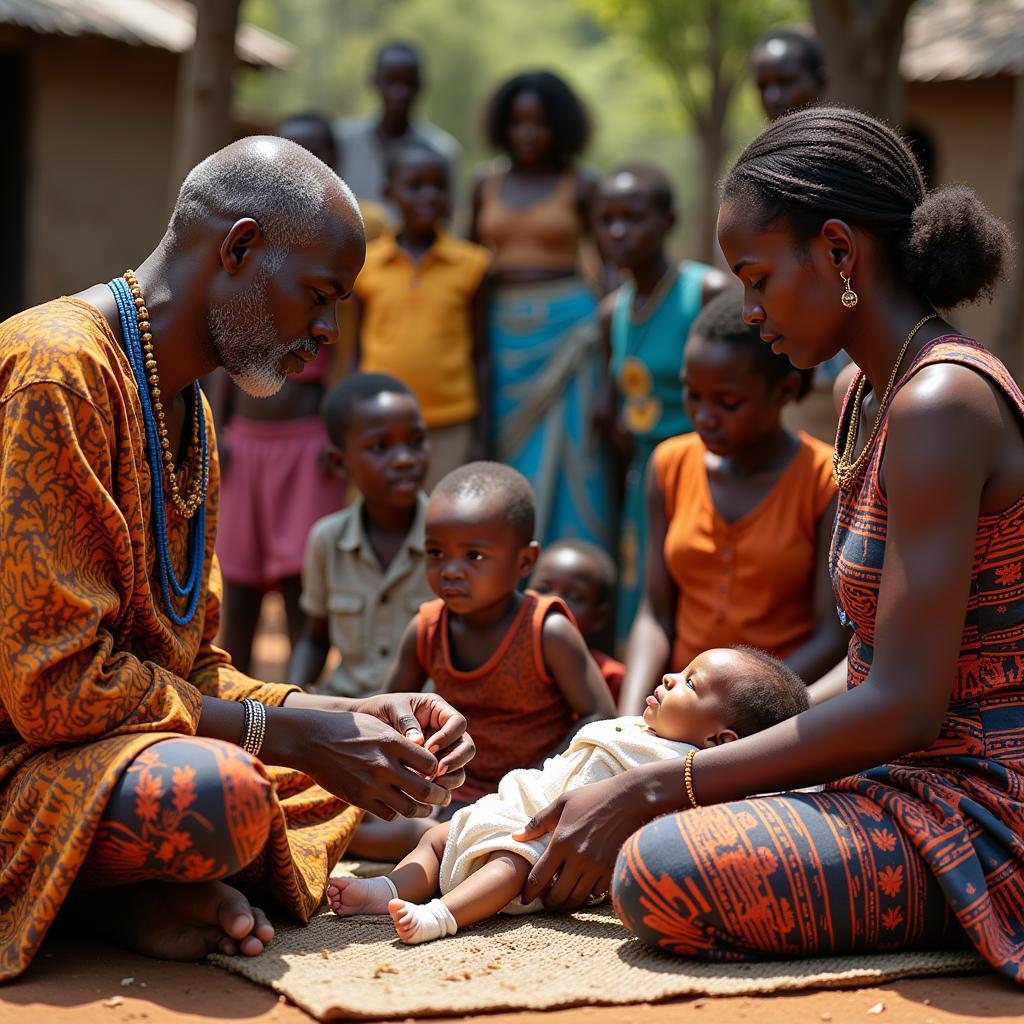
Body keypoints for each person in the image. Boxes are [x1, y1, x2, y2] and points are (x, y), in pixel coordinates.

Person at [513, 108, 1024, 986]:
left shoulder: (941, 403)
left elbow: (904, 707)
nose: (749, 314)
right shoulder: (869, 389)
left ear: (837, 251)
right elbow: (868, 671)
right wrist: (674, 750)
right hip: (897, 776)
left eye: (757, 278)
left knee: (659, 868)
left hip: (978, 808)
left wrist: (654, 788)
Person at [0, 136, 475, 981]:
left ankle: (133, 887)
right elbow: (58, 692)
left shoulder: (190, 414)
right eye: (319, 296)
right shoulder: (58, 372)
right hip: (23, 760)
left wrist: (350, 712)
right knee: (222, 796)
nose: (326, 334)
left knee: (374, 786)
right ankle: (113, 896)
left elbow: (196, 667)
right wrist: (294, 733)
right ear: (241, 246)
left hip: (108, 747)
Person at [326, 646, 809, 944]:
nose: (668, 677)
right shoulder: (639, 725)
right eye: (680, 669)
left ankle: (442, 915)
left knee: (511, 864)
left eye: (689, 683)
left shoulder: (684, 771)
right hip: (516, 805)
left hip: (549, 846)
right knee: (437, 839)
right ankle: (385, 890)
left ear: (718, 744)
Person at [618, 292, 847, 715]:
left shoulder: (824, 480)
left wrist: (745, 709)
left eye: (728, 403)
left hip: (778, 713)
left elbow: (830, 638)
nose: (704, 416)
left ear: (785, 391)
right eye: (692, 395)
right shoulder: (669, 465)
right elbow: (656, 615)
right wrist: (628, 717)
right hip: (677, 704)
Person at [383, 461, 617, 817]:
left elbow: (599, 714)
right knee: (375, 822)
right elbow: (389, 711)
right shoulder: (427, 628)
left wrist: (536, 780)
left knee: (449, 836)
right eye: (436, 553)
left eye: (473, 556)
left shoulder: (546, 630)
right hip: (452, 790)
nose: (450, 570)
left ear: (525, 561)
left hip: (534, 795)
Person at [212, 114, 354, 674]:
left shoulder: (336, 253)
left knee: (302, 590)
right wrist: (219, 428)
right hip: (245, 446)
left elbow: (345, 355)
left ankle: (301, 711)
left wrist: (335, 432)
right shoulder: (257, 259)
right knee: (238, 591)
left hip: (305, 443)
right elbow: (227, 346)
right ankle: (239, 717)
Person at [469, 70, 611, 550]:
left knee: (578, 464)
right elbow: (469, 268)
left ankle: (576, 576)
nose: (528, 133)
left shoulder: (582, 183)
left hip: (572, 337)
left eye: (541, 123)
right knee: (509, 460)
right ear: (502, 126)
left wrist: (610, 372)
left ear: (563, 127)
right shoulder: (483, 183)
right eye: (518, 122)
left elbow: (611, 275)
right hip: (502, 337)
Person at [594, 163, 730, 649]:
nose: (617, 231)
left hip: (706, 471)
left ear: (668, 222)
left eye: (633, 218)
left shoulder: (705, 293)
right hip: (644, 477)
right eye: (607, 219)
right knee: (644, 594)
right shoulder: (613, 311)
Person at [352, 143, 491, 490]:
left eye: (439, 186)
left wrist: (482, 435)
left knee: (442, 521)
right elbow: (355, 351)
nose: (428, 196)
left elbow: (482, 356)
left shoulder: (472, 265)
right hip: (377, 421)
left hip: (449, 424)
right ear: (389, 192)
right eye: (415, 186)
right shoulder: (366, 264)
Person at [289, 373, 434, 698]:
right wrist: (291, 697)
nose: (404, 459)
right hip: (349, 710)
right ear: (339, 463)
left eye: (415, 441)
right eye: (380, 447)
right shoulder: (327, 539)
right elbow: (315, 638)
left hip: (430, 715)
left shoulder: (449, 537)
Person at [334, 42, 460, 218]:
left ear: (420, 85)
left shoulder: (440, 149)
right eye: (391, 81)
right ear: (374, 81)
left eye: (407, 83)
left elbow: (445, 217)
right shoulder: (343, 141)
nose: (399, 92)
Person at [530, 539, 625, 703]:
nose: (553, 601)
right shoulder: (503, 657)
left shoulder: (611, 678)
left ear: (598, 617)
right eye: (543, 589)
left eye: (574, 597)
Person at [751, 29, 827, 123]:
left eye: (785, 82)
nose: (772, 98)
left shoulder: (844, 135)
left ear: (820, 82)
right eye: (763, 86)